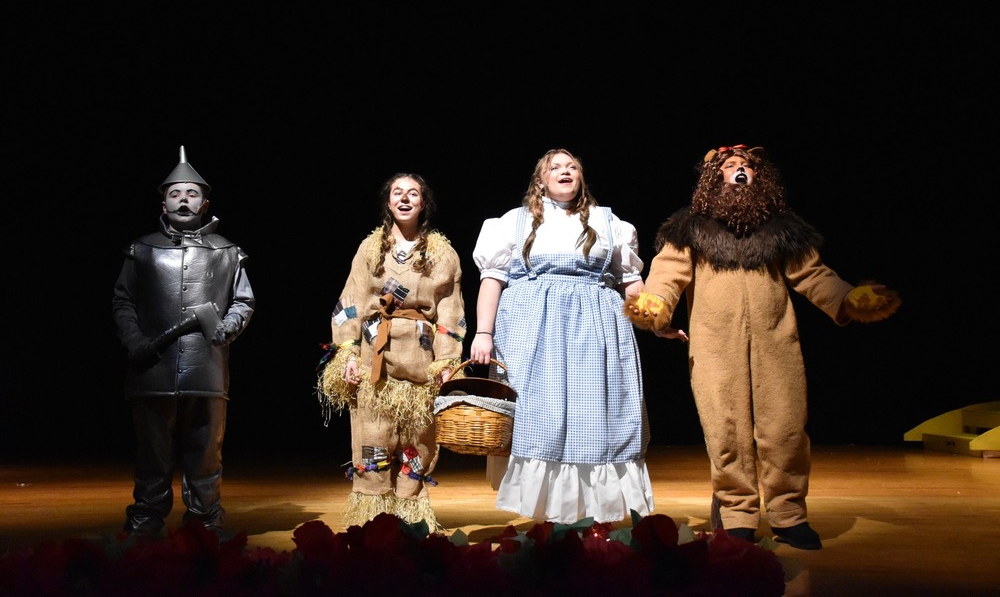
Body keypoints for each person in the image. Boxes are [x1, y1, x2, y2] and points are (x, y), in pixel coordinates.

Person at [625, 144, 900, 550]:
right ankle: (737, 515)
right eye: (731, 166)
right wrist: (656, 303)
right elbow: (668, 273)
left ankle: (789, 515)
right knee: (725, 431)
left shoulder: (780, 229)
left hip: (777, 342)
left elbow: (813, 274)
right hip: (715, 347)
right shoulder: (688, 228)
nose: (740, 172)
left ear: (760, 178)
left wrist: (847, 298)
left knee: (785, 429)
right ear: (714, 178)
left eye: (747, 167)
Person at [468, 148, 652, 536]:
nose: (565, 172)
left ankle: (596, 518)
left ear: (581, 178)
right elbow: (492, 279)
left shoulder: (609, 223)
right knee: (540, 418)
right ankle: (551, 520)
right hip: (531, 330)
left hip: (596, 329)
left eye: (572, 167)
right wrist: (483, 333)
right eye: (556, 168)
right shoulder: (512, 223)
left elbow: (631, 282)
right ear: (541, 180)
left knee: (599, 418)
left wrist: (656, 319)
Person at [111, 146, 255, 537]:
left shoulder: (228, 252)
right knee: (152, 455)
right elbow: (123, 300)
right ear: (163, 202)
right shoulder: (141, 250)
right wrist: (135, 339)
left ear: (206, 203)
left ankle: (205, 523)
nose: (184, 200)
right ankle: (146, 520)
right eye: (176, 194)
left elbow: (243, 301)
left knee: (206, 456)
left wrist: (228, 327)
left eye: (192, 194)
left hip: (205, 368)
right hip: (151, 370)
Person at [316, 173, 466, 531]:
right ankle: (374, 525)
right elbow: (349, 303)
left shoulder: (442, 253)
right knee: (373, 440)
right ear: (388, 202)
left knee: (419, 444)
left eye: (413, 193)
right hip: (375, 363)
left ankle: (412, 520)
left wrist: (447, 360)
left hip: (420, 361)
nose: (404, 198)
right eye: (397, 192)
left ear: (423, 203)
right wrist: (347, 355)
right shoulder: (370, 249)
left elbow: (450, 309)